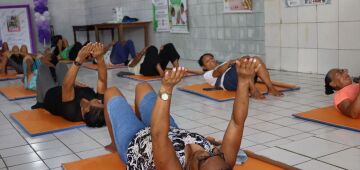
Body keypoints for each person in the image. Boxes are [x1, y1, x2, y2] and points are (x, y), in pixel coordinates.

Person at [104, 57, 260, 169]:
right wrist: (244, 81)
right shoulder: (223, 160)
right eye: (216, 154)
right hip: (171, 131)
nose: (207, 152)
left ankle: (116, 144)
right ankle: (139, 119)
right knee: (142, 87)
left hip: (135, 142)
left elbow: (158, 134)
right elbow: (237, 122)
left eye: (203, 159)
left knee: (111, 92)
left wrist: (166, 90)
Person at [33, 42, 107, 127]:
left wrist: (79, 59)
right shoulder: (99, 104)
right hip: (66, 88)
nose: (99, 101)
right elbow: (102, 81)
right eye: (101, 103)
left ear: (87, 110)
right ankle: (53, 70)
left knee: (43, 68)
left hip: (50, 93)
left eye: (98, 103)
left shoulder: (72, 111)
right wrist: (100, 58)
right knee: (61, 65)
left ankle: (40, 101)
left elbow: (66, 86)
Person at [198, 53, 283, 99]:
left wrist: (244, 58)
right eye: (208, 61)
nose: (211, 61)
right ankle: (253, 90)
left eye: (212, 58)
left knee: (255, 59)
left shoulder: (223, 63)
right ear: (204, 67)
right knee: (242, 64)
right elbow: (218, 72)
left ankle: (270, 88)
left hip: (239, 78)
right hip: (227, 82)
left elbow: (235, 62)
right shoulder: (207, 74)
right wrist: (233, 61)